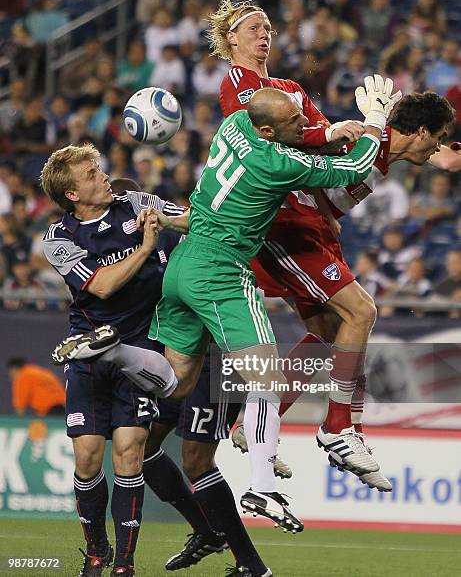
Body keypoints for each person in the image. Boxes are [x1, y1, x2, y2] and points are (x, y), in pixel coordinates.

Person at [53, 77, 398, 548]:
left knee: (177, 379)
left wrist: (329, 129)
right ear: (270, 133)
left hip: (183, 262)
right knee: (269, 378)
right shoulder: (276, 163)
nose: (304, 122)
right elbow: (356, 167)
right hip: (222, 269)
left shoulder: (236, 124)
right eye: (295, 120)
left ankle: (113, 352)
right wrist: (376, 121)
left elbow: (295, 135)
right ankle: (262, 487)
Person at [210, 0, 459, 492]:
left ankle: (255, 421)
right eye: (254, 28)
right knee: (360, 313)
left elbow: (332, 148)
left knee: (328, 332)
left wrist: (377, 132)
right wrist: (347, 129)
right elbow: (271, 142)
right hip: (277, 221)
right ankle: (339, 426)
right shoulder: (239, 87)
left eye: (269, 27)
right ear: (231, 40)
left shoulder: (291, 89)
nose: (265, 34)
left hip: (304, 218)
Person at [109, 179, 273, 577]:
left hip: (215, 354)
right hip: (175, 351)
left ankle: (252, 566)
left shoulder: (175, 227)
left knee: (197, 461)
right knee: (139, 444)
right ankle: (205, 530)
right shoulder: (122, 246)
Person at [40, 143, 186, 577]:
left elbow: (194, 219)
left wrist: (169, 219)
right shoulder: (58, 238)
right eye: (91, 174)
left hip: (139, 348)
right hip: (85, 351)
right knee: (87, 456)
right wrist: (145, 248)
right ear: (72, 194)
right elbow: (100, 286)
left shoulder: (138, 203)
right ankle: (97, 549)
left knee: (128, 452)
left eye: (100, 169)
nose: (103, 177)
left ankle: (124, 562)